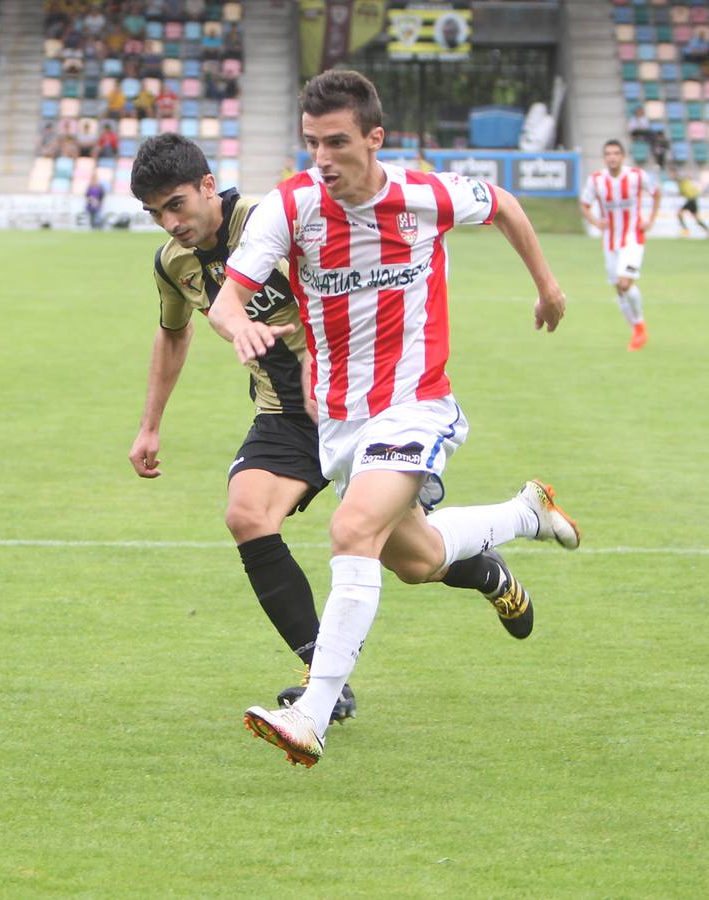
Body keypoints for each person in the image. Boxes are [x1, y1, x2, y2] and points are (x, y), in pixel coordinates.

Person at [126, 131, 561, 737]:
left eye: (176, 205)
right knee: (248, 514)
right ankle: (321, 675)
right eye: (154, 213)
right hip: (284, 413)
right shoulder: (172, 264)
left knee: (412, 557)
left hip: (358, 402)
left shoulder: (278, 218)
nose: (169, 223)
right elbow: (175, 333)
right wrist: (150, 425)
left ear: (207, 186)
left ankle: (501, 547)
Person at [206, 70, 580, 768]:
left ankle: (311, 715)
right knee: (419, 559)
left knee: (350, 530)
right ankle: (526, 514)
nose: (323, 158)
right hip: (342, 422)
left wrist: (549, 286)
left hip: (416, 402)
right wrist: (237, 330)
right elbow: (230, 299)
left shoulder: (424, 195)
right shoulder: (292, 206)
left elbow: (504, 206)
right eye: (313, 143)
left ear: (375, 139)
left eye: (338, 142)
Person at [579, 139, 660, 351]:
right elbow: (585, 204)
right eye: (608, 153)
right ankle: (636, 331)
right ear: (604, 158)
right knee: (619, 289)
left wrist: (650, 220)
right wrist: (596, 222)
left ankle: (640, 326)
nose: (612, 157)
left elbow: (656, 192)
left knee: (625, 284)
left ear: (622, 156)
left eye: (616, 153)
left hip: (633, 238)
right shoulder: (596, 180)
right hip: (610, 241)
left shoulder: (636, 175)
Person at [673, 167, 708, 236]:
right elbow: (682, 193)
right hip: (692, 199)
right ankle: (707, 230)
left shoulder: (681, 180)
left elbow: (682, 179)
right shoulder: (681, 183)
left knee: (679, 213)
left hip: (691, 199)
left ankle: (685, 230)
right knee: (696, 218)